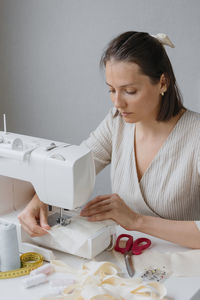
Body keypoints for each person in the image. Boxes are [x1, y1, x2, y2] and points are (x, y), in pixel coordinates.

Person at [18, 31, 200, 249]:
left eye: (129, 91)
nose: (117, 103)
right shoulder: (117, 122)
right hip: (131, 256)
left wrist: (136, 221)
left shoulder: (195, 136)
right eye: (111, 90)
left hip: (187, 270)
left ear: (162, 83)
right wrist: (42, 198)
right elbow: (76, 165)